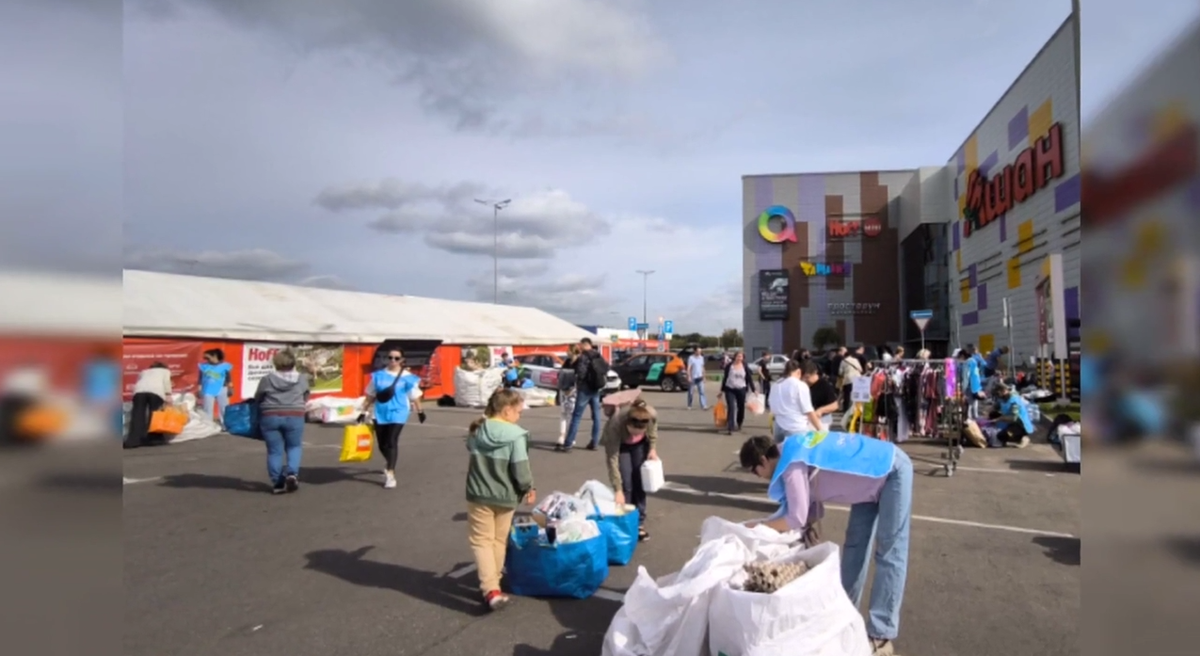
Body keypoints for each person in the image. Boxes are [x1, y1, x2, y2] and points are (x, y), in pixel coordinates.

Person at [740, 433, 913, 656]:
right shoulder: (791, 449)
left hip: (889, 470)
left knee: (890, 552)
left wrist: (761, 526)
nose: (758, 477)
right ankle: (844, 613)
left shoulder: (791, 464)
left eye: (755, 471)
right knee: (854, 546)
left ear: (763, 460)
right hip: (867, 480)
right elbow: (811, 501)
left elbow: (796, 517)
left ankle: (881, 634)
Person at [465, 389, 536, 612]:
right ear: (506, 411)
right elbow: (521, 469)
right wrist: (528, 487)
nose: (519, 416)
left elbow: (469, 447)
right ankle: (492, 584)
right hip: (506, 495)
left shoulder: (477, 430)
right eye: (518, 412)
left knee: (481, 541)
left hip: (479, 493)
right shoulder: (516, 435)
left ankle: (491, 587)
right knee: (497, 540)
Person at [360, 348, 426, 488]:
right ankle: (389, 462)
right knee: (382, 444)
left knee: (391, 441)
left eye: (396, 358)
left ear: (402, 360)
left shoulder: (407, 377)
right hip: (380, 412)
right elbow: (370, 395)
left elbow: (414, 395)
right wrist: (363, 411)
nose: (392, 361)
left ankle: (390, 473)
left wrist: (420, 411)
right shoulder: (378, 376)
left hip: (399, 411)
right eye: (390, 357)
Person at [602, 396, 659, 542]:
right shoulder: (616, 424)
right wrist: (617, 490)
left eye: (640, 432)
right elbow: (612, 460)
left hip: (639, 447)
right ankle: (624, 521)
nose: (636, 434)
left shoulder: (650, 415)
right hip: (621, 447)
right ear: (627, 424)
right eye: (633, 431)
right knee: (626, 484)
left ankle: (639, 522)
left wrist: (652, 449)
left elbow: (652, 433)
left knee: (639, 482)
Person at [255, 350, 310, 494]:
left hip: (270, 415)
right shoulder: (301, 378)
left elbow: (258, 397)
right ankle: (292, 473)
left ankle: (277, 482)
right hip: (294, 415)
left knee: (274, 451)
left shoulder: (267, 379)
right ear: (293, 362)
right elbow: (306, 395)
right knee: (294, 446)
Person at [562, 337, 606, 452]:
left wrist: (578, 382)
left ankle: (568, 443)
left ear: (584, 344)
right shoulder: (598, 355)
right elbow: (605, 368)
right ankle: (595, 442)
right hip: (596, 388)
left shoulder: (583, 357)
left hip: (585, 389)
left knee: (576, 416)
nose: (579, 347)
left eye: (581, 345)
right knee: (596, 417)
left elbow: (581, 373)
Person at [768, 359, 826, 443]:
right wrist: (820, 430)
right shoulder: (800, 385)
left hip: (778, 426)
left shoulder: (776, 385)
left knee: (780, 454)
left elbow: (771, 405)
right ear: (798, 371)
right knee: (798, 454)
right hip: (796, 427)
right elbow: (808, 410)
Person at [125, 362, 172, 449]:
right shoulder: (165, 371)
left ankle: (133, 440)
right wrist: (168, 395)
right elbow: (166, 383)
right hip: (156, 392)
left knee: (137, 416)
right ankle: (154, 439)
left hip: (139, 392)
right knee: (155, 415)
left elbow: (139, 382)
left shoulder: (144, 372)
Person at [720, 350, 756, 434]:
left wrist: (754, 390)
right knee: (731, 407)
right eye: (738, 356)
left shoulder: (745, 366)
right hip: (730, 389)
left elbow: (749, 378)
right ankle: (730, 427)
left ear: (743, 358)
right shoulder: (729, 366)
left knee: (741, 407)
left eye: (741, 356)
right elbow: (725, 378)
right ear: (735, 357)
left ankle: (739, 422)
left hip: (741, 389)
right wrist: (721, 390)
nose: (739, 358)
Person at [198, 349, 233, 427]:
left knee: (223, 408)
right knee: (207, 408)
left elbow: (228, 378)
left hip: (222, 389)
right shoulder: (203, 366)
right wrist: (199, 389)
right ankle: (208, 426)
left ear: (215, 356)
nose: (206, 359)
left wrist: (230, 388)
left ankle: (224, 425)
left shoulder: (225, 366)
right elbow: (200, 379)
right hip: (207, 389)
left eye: (207, 357)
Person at [992, 383, 1035, 448]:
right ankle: (1013, 437)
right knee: (992, 415)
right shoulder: (1002, 399)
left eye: (998, 393)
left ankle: (1022, 438)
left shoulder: (1014, 401)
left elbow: (1014, 417)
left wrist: (999, 419)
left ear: (1003, 391)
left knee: (1001, 436)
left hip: (1020, 424)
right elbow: (995, 407)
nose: (998, 395)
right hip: (1010, 422)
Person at [556, 345, 580, 447]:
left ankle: (571, 437)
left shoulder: (579, 363)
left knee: (571, 414)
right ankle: (562, 435)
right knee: (563, 413)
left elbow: (579, 377)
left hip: (574, 392)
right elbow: (560, 374)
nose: (566, 352)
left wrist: (572, 388)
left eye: (568, 350)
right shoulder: (567, 362)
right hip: (564, 390)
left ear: (573, 351)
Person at [957, 349, 984, 419]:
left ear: (962, 356)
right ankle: (976, 419)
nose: (959, 360)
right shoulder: (974, 361)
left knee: (969, 406)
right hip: (977, 385)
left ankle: (969, 422)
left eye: (959, 357)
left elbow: (965, 378)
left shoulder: (966, 364)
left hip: (970, 387)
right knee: (975, 406)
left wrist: (963, 390)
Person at [838, 345, 866, 411]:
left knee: (847, 395)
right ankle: (857, 409)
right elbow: (861, 370)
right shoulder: (856, 360)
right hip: (857, 379)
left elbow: (840, 372)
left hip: (848, 379)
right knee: (857, 395)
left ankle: (846, 409)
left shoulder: (843, 361)